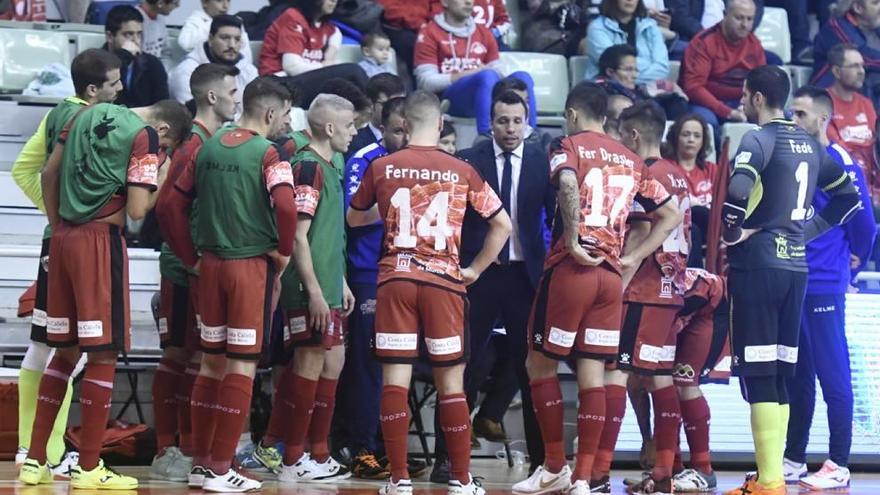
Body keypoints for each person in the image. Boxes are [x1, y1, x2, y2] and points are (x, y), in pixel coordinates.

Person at [512, 83, 679, 495]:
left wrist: (571, 237)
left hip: (573, 269)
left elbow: (567, 183)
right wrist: (632, 257)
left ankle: (554, 467)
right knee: (594, 374)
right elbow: (670, 214)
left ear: (571, 113)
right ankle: (585, 479)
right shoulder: (630, 158)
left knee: (539, 364)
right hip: (610, 278)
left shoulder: (567, 144)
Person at [18, 98, 191, 490]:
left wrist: (60, 225)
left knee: (63, 352)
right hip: (98, 245)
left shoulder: (84, 113)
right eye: (165, 148)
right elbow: (136, 210)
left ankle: (35, 461)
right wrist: (160, 173)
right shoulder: (145, 136)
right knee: (102, 355)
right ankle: (89, 466)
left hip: (60, 239)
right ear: (164, 132)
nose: (161, 152)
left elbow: (48, 174)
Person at [347, 90, 512, 495]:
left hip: (395, 281)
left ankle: (399, 479)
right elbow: (503, 225)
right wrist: (474, 269)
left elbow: (354, 218)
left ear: (403, 125)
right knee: (451, 383)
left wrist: (392, 211)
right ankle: (460, 478)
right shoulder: (462, 168)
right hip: (444, 283)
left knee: (394, 382)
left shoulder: (383, 165)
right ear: (439, 124)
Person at [721, 65, 861, 495]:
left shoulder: (758, 139)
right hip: (796, 269)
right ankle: (774, 475)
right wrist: (807, 230)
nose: (743, 102)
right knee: (782, 373)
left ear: (757, 98)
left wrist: (733, 232)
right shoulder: (811, 144)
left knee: (762, 375)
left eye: (745, 95)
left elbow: (738, 190)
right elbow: (849, 198)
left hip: (760, 268)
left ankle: (769, 481)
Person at [161, 76, 295, 492]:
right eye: (286, 114)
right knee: (241, 365)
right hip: (248, 268)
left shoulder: (209, 143)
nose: (285, 122)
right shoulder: (269, 152)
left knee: (211, 362)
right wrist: (285, 252)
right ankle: (222, 467)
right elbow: (287, 207)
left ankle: (202, 463)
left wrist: (189, 258)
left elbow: (169, 205)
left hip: (210, 268)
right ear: (271, 113)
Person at [11, 48, 123, 481]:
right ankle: (45, 449)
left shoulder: (67, 114)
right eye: (113, 82)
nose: (120, 89)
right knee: (67, 349)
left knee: (50, 345)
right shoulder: (85, 119)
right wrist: (67, 218)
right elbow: (26, 170)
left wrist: (58, 219)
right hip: (79, 243)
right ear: (93, 88)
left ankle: (33, 449)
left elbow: (28, 170)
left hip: (60, 242)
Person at [435, 90, 555, 480]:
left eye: (517, 120)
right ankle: (447, 461)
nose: (510, 128)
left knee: (532, 369)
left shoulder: (543, 161)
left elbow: (555, 219)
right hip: (480, 274)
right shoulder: (470, 160)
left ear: (527, 121)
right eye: (502, 121)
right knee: (461, 366)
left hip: (525, 276)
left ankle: (542, 463)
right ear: (490, 123)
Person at [588, 101, 689, 495]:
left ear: (632, 136)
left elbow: (636, 234)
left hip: (642, 289)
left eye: (620, 134)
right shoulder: (678, 174)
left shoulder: (645, 174)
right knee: (659, 377)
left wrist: (619, 279)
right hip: (670, 290)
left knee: (617, 373)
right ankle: (666, 469)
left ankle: (598, 472)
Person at [151, 63, 241, 483]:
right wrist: (190, 259)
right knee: (182, 356)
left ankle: (192, 449)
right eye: (232, 91)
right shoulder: (194, 145)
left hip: (198, 267)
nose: (237, 98)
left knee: (198, 357)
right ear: (211, 96)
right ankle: (172, 449)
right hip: (185, 269)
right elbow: (167, 206)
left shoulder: (211, 141)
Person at [785, 85, 876, 490]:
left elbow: (866, 226)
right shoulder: (792, 159)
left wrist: (852, 262)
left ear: (822, 119)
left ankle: (839, 461)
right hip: (792, 279)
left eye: (801, 114)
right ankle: (793, 458)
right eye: (791, 113)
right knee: (798, 375)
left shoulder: (841, 162)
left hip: (823, 283)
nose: (793, 121)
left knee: (832, 373)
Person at [273, 94, 358, 483]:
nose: (354, 131)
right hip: (308, 288)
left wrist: (338, 281)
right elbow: (300, 237)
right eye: (350, 125)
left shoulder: (331, 163)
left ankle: (318, 453)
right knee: (308, 362)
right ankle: (292, 459)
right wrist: (316, 292)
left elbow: (327, 233)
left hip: (327, 282)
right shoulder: (308, 166)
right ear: (328, 128)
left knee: (333, 361)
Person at [338, 96, 408, 479]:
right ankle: (361, 447)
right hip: (369, 273)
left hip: (407, 273)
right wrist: (404, 203)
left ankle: (387, 448)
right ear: (382, 127)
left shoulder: (417, 162)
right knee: (367, 364)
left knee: (396, 367)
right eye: (396, 130)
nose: (403, 137)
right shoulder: (365, 158)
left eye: (407, 130)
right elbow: (354, 216)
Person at [413, 0, 537, 134]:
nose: (468, 2)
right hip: (450, 99)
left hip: (486, 92)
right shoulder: (429, 32)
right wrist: (472, 73)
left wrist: (494, 74)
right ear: (445, 2)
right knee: (487, 76)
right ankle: (486, 135)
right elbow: (425, 82)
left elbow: (497, 69)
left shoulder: (483, 31)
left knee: (523, 78)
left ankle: (530, 134)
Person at [670, 268, 729, 492]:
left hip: (704, 297)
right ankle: (670, 467)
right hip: (662, 292)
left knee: (684, 383)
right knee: (660, 384)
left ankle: (703, 469)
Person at [680, 0, 766, 143]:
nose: (744, 24)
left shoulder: (755, 45)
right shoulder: (703, 42)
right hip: (705, 104)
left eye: (749, 19)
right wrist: (728, 112)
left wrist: (747, 105)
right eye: (739, 18)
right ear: (725, 15)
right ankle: (714, 164)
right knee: (707, 123)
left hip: (741, 103)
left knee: (777, 118)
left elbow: (762, 83)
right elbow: (693, 87)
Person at [259, 0, 369, 107]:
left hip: (300, 81)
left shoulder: (324, 25)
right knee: (353, 71)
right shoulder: (292, 17)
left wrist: (330, 53)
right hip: (277, 83)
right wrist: (325, 65)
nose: (334, 1)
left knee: (347, 85)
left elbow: (336, 33)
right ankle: (375, 110)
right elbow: (292, 67)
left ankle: (371, 111)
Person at [820, 44, 879, 204]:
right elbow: (837, 151)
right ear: (837, 72)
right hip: (844, 184)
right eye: (854, 66)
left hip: (873, 184)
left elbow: (876, 145)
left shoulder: (866, 103)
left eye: (862, 65)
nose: (861, 71)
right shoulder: (823, 103)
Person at [663, 113, 718, 267]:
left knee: (700, 213)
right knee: (693, 228)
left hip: (711, 230)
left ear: (703, 141)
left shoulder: (713, 170)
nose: (691, 140)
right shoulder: (666, 167)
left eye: (697, 135)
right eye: (686, 134)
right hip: (677, 228)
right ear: (676, 137)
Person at [169, 15, 258, 105]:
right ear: (210, 39)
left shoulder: (249, 71)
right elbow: (192, 114)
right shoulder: (187, 72)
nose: (232, 45)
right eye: (225, 38)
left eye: (237, 39)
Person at [812, 0, 880, 108]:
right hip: (826, 97)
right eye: (875, 3)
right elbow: (864, 57)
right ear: (858, 8)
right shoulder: (837, 26)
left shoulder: (875, 26)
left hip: (864, 92)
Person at [584, 0, 670, 84]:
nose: (630, 0)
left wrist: (628, 72)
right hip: (608, 90)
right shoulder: (597, 28)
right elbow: (613, 68)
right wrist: (649, 65)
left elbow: (662, 69)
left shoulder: (650, 26)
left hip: (648, 91)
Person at [595, 44, 689, 121]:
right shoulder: (599, 94)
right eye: (629, 70)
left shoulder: (638, 91)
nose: (635, 75)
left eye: (636, 70)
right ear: (610, 72)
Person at [104, 5, 170, 108]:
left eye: (139, 34)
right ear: (110, 37)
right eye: (128, 34)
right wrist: (123, 56)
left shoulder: (152, 64)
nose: (136, 40)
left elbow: (163, 107)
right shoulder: (96, 63)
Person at [472, 78, 555, 152]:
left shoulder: (542, 138)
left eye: (526, 101)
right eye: (517, 101)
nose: (525, 107)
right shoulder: (483, 142)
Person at [346, 73, 406, 161]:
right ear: (371, 104)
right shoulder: (354, 143)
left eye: (400, 103)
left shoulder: (414, 138)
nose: (394, 110)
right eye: (386, 104)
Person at [178, 0, 253, 62]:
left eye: (228, 1)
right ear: (204, 2)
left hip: (231, 69)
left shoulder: (234, 23)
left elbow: (247, 56)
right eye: (219, 1)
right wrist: (213, 24)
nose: (225, 6)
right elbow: (185, 44)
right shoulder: (195, 20)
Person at [428, 0, 515, 47]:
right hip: (456, 41)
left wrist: (495, 32)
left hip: (490, 42)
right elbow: (438, 18)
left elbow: (505, 20)